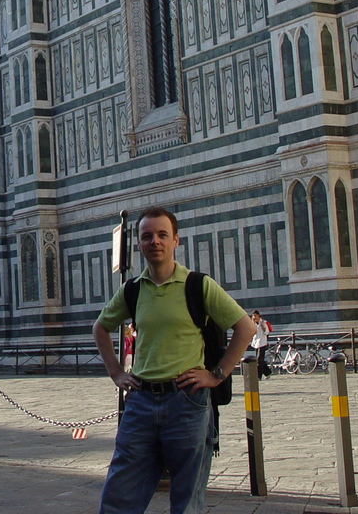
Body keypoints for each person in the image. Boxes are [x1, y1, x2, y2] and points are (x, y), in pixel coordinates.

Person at [93, 207, 256, 514]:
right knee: (119, 496)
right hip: (141, 401)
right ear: (139, 244)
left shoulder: (198, 285)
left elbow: (245, 328)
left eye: (162, 235)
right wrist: (116, 372)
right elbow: (100, 327)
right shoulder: (133, 289)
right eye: (147, 236)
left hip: (187, 401)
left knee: (186, 500)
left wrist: (216, 374)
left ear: (176, 241)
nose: (155, 241)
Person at [251, 310, 272, 380]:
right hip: (256, 342)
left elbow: (267, 332)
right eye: (253, 316)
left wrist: (263, 328)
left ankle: (258, 376)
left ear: (258, 316)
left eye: (255, 315)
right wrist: (252, 323)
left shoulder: (263, 322)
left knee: (259, 360)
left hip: (262, 342)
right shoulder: (253, 323)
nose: (254, 317)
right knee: (260, 359)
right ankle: (267, 372)